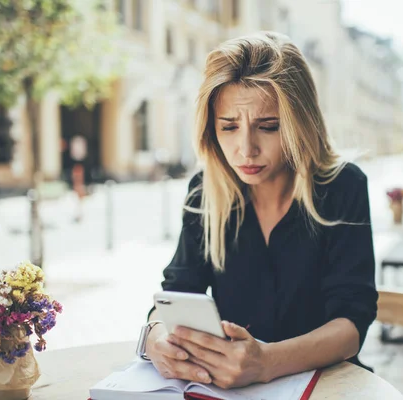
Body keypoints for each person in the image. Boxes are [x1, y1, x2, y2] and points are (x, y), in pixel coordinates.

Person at [144, 31, 378, 389]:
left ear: (300, 124)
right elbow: (176, 294)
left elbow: (351, 323)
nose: (246, 149)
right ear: (210, 129)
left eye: (268, 127)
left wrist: (268, 362)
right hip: (230, 389)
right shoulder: (204, 192)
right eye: (229, 127)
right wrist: (155, 339)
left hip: (330, 384)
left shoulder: (342, 187)